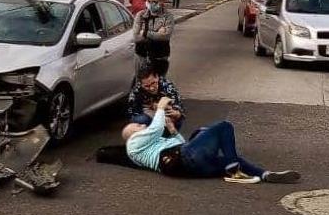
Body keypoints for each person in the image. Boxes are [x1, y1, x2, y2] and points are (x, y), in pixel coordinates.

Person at [123, 98, 300, 184]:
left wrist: (172, 130)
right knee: (225, 126)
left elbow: (180, 142)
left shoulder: (147, 144)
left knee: (208, 137)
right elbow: (154, 129)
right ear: (131, 135)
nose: (141, 127)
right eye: (137, 127)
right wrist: (161, 107)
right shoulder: (133, 144)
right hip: (184, 160)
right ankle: (234, 171)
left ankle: (265, 175)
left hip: (191, 166)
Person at [128, 62, 184, 130]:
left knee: (177, 119)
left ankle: (171, 137)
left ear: (157, 77)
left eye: (153, 83)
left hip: (166, 116)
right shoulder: (136, 91)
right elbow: (132, 113)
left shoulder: (168, 86)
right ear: (141, 83)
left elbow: (179, 107)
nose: (151, 88)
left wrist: (177, 113)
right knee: (140, 120)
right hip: (148, 117)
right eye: (146, 86)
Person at [133, 0, 174, 76]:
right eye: (149, 1)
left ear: (161, 1)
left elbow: (165, 36)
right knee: (141, 83)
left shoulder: (167, 16)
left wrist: (145, 32)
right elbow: (136, 37)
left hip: (160, 55)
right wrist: (157, 34)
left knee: (159, 83)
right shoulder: (141, 15)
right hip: (142, 55)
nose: (151, 4)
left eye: (154, 1)